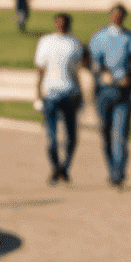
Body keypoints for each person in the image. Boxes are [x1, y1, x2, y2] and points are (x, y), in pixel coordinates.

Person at [88, 4, 131, 188]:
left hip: (123, 93)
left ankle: (118, 173)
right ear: (110, 16)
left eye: (120, 15)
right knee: (106, 132)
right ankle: (112, 168)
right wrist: (106, 75)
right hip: (104, 91)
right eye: (114, 15)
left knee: (120, 134)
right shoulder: (99, 37)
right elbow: (93, 62)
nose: (117, 18)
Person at [33, 13, 87, 183]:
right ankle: (56, 167)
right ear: (55, 24)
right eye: (58, 23)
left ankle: (65, 167)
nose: (61, 26)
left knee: (72, 136)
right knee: (52, 136)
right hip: (51, 94)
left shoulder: (74, 44)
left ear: (69, 25)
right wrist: (38, 94)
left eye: (64, 23)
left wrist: (81, 95)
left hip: (70, 93)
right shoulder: (46, 42)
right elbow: (41, 70)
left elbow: (77, 72)